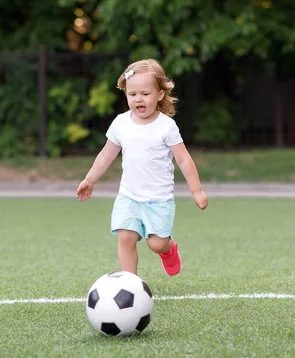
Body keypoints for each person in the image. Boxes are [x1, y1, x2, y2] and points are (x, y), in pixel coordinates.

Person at [76, 59, 208, 276]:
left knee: (157, 244)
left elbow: (184, 159)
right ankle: (130, 282)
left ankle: (169, 249)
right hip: (129, 196)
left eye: (145, 94)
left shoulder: (166, 126)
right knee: (125, 236)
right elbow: (105, 155)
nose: (138, 99)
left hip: (159, 199)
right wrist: (89, 180)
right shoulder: (120, 123)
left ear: (160, 95)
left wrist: (196, 191)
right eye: (132, 94)